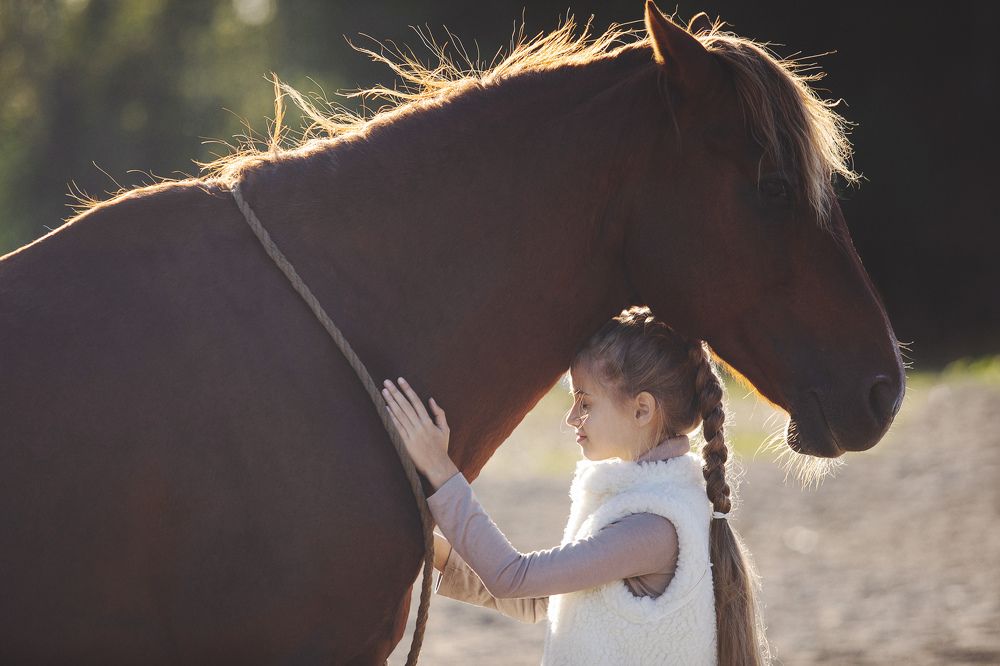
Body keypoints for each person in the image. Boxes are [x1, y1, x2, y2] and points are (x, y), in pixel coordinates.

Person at [380, 305, 770, 665]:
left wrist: (440, 468)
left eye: (584, 402)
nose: (571, 417)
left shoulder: (653, 526)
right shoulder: (646, 502)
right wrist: (438, 551)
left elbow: (512, 577)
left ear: (642, 409)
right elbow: (538, 602)